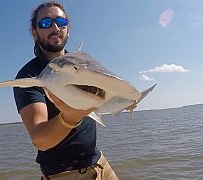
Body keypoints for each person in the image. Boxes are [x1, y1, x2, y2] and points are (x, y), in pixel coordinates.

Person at [13, 1, 125, 179]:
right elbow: (40, 140)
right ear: (34, 32)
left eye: (61, 22)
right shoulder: (29, 76)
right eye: (45, 23)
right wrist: (70, 116)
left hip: (101, 163)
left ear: (68, 29)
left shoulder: (86, 63)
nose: (55, 27)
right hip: (64, 175)